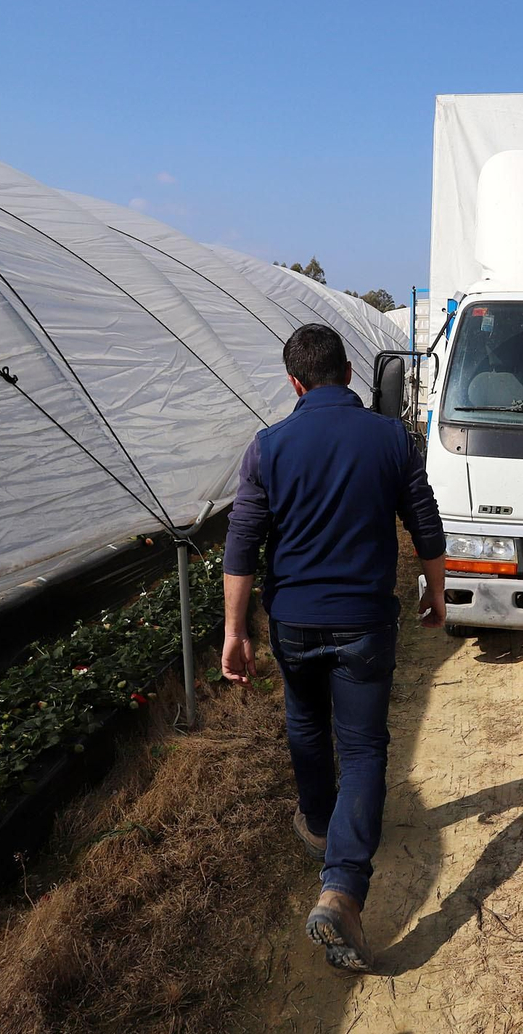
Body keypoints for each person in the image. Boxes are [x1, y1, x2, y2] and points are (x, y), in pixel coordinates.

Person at [221, 323, 446, 973]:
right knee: (366, 746)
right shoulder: (390, 438)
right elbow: (423, 521)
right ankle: (342, 885)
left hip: (293, 621)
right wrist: (436, 592)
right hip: (365, 621)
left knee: (305, 724)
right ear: (350, 372)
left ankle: (321, 823)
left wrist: (235, 632)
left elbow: (242, 543)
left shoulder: (268, 447)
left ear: (295, 382)